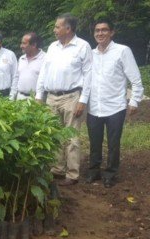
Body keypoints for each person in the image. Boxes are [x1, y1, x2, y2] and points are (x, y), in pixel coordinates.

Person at [36, 13, 92, 186]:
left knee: (72, 137)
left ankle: (72, 174)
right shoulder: (53, 47)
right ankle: (57, 169)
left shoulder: (83, 46)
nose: (54, 30)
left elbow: (89, 75)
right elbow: (44, 72)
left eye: (57, 26)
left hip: (72, 97)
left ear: (68, 29)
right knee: (54, 135)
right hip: (52, 97)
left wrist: (83, 100)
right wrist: (39, 96)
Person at [86, 19, 144, 188]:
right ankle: (94, 171)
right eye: (97, 30)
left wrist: (134, 101)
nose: (100, 33)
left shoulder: (122, 51)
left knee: (113, 143)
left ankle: (110, 173)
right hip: (94, 106)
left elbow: (135, 79)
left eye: (104, 30)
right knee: (94, 142)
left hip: (115, 106)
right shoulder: (90, 54)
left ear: (112, 32)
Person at [14, 32, 46, 100]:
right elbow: (16, 78)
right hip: (20, 98)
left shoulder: (45, 58)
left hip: (36, 99)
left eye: (24, 43)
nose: (21, 46)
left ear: (34, 45)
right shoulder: (21, 59)